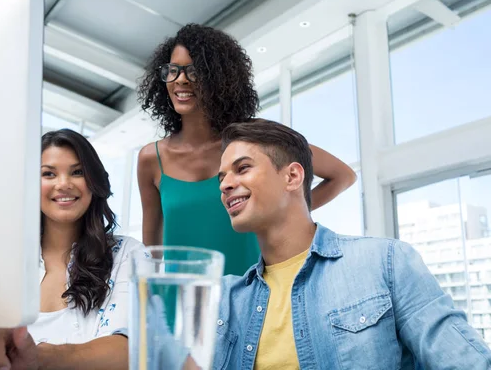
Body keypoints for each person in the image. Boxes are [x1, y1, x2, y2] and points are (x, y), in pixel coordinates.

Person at [207, 118, 491, 369]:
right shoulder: (226, 300)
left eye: (242, 169)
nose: (225, 184)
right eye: (222, 177)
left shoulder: (386, 262)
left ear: (292, 176)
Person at [137, 23, 357, 276]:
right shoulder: (151, 159)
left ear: (218, 78)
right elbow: (151, 251)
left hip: (253, 296)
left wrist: (278, 210)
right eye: (173, 71)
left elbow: (342, 176)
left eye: (194, 71)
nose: (181, 79)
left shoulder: (255, 140)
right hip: (181, 305)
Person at [0, 129, 140, 370]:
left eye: (77, 172)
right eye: (48, 174)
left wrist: (36, 356)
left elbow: (131, 350)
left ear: (94, 182)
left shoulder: (127, 254)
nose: (63, 184)